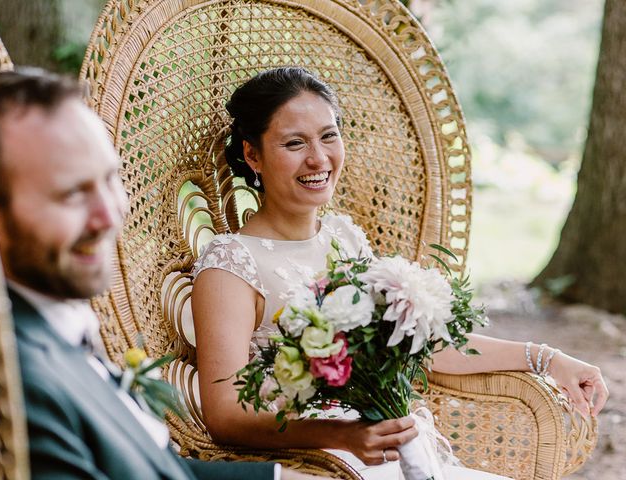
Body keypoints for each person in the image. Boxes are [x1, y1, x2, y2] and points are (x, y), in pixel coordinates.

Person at [190, 67, 609, 480]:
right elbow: (224, 413)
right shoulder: (230, 264)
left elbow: (421, 349)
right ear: (252, 154)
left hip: (395, 448)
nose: (318, 158)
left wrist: (546, 359)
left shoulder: (343, 237)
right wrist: (343, 436)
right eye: (294, 143)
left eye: (329, 136)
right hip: (320, 462)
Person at [0, 68, 330, 480]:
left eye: (109, 179)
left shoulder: (52, 330)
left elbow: (153, 470)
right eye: (71, 192)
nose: (110, 213)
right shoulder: (14, 383)